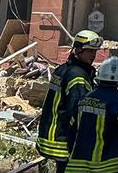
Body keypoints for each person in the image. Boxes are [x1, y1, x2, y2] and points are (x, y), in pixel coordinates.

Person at [37, 30, 103, 173]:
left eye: (95, 51)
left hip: (52, 134)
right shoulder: (77, 76)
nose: (93, 55)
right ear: (79, 50)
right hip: (64, 139)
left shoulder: (63, 69)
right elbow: (79, 110)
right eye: (90, 51)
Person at [65, 57, 118, 173]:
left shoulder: (85, 98)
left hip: (78, 165)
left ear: (99, 77)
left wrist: (71, 150)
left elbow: (71, 128)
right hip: (108, 166)